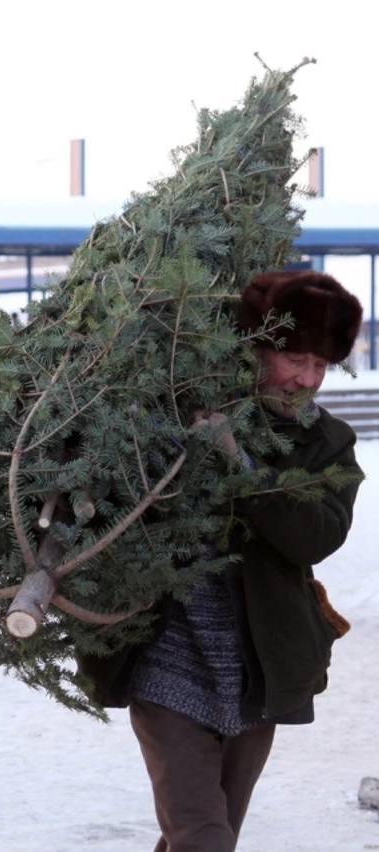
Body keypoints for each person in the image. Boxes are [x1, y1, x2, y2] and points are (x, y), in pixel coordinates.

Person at [77, 270, 364, 852]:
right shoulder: (176, 414)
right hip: (167, 659)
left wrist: (242, 465)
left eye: (321, 365)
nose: (306, 379)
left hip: (259, 669)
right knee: (204, 838)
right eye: (295, 359)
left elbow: (314, 537)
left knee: (209, 835)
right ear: (258, 347)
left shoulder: (326, 444)